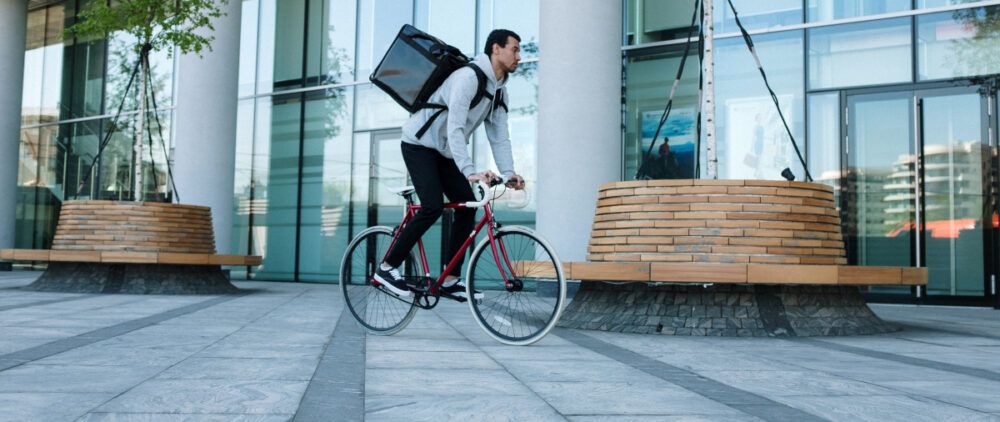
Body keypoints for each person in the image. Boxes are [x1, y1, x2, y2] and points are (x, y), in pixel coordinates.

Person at [374, 29, 526, 300]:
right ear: (496, 49)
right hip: (419, 145)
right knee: (432, 205)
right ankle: (386, 268)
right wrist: (470, 171)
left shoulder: (500, 93)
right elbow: (455, 128)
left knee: (467, 208)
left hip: (443, 153)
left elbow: (500, 137)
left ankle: (450, 279)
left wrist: (508, 173)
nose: (519, 56)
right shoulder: (468, 78)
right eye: (514, 49)